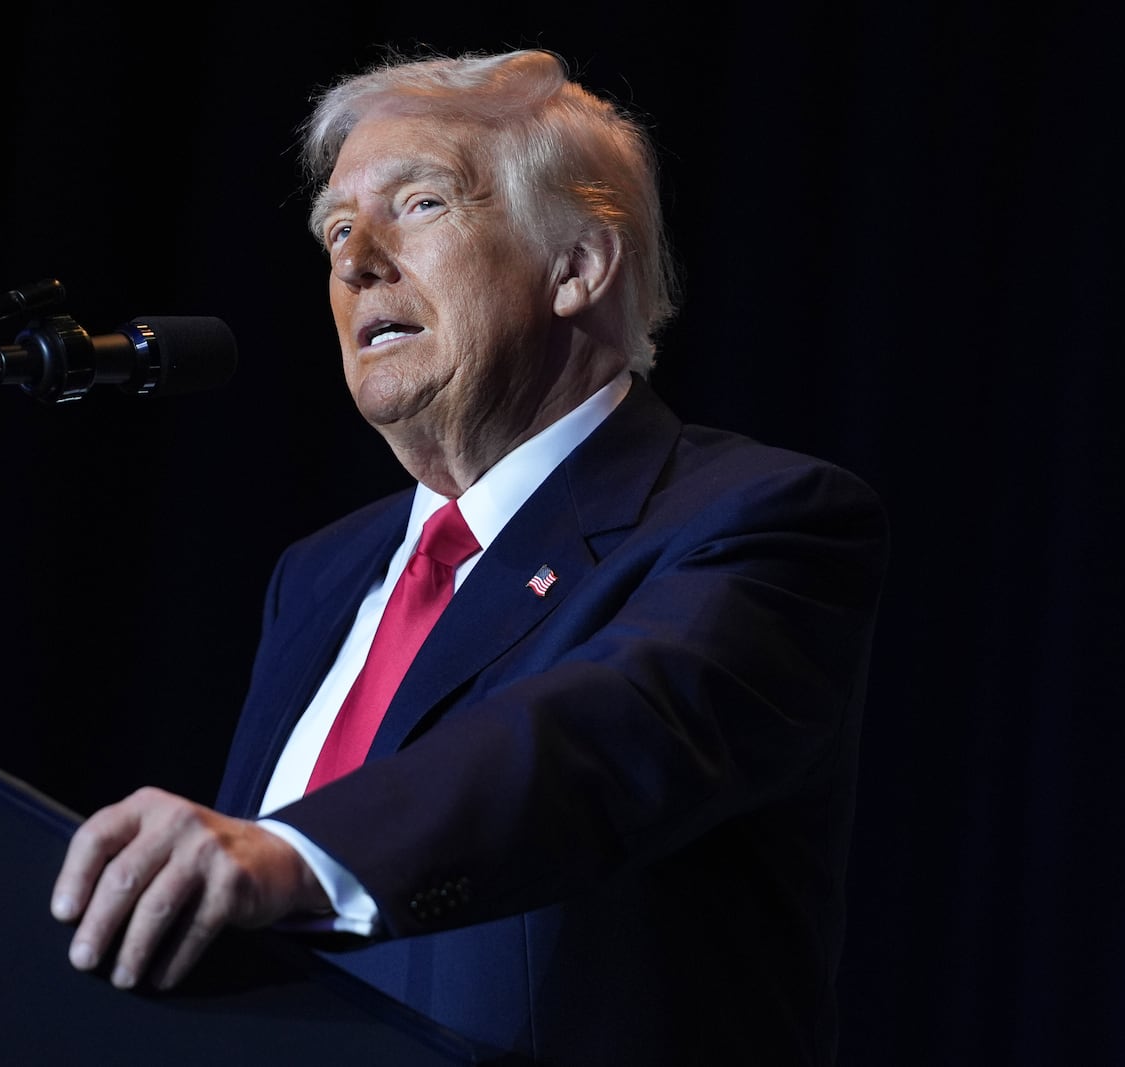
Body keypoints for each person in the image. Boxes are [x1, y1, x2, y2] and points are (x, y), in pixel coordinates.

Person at [50, 47, 889, 1065]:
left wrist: (300, 855)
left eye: (421, 203)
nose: (355, 258)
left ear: (577, 267)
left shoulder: (757, 517)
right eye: (336, 229)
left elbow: (601, 731)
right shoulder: (318, 574)